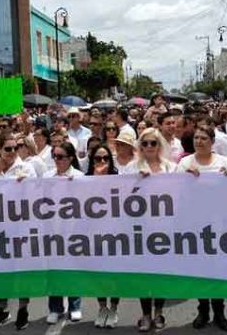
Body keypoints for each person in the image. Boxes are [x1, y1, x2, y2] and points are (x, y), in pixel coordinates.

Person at [177, 126, 227, 332]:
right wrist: (185, 177)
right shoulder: (184, 163)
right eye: (196, 138)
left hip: (218, 224)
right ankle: (203, 310)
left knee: (217, 268)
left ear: (212, 141)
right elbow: (174, 191)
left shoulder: (223, 163)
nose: (199, 141)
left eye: (203, 138)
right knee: (200, 268)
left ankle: (219, 312)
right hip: (194, 224)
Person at [0, 134, 37, 330]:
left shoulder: (27, 168)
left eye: (16, 147)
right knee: (0, 271)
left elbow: (37, 195)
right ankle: (3, 309)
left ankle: (23, 309)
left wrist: (25, 185)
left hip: (21, 227)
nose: (12, 152)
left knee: (22, 270)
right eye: (8, 149)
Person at [123, 128, 175, 331]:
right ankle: (145, 315)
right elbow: (118, 195)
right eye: (145, 144)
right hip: (139, 231)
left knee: (161, 273)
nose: (149, 147)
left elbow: (184, 191)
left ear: (160, 145)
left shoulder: (171, 168)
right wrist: (137, 180)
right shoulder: (131, 168)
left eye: (153, 143)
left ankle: (159, 313)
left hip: (165, 230)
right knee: (143, 275)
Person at [43, 142, 84, 324]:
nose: (57, 160)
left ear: (71, 158)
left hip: (73, 230)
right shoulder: (46, 176)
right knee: (54, 271)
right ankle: (55, 307)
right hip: (52, 230)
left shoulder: (80, 177)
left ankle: (75, 306)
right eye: (55, 156)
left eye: (61, 157)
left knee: (73, 269)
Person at [86, 143, 121, 329]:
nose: (101, 162)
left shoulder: (119, 179)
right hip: (93, 235)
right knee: (98, 274)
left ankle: (114, 308)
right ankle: (102, 308)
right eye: (97, 158)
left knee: (114, 274)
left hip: (115, 235)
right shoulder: (84, 180)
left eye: (105, 158)